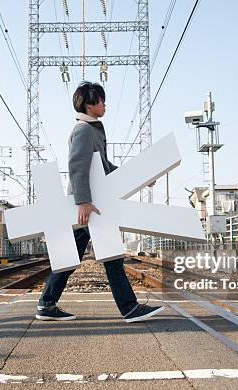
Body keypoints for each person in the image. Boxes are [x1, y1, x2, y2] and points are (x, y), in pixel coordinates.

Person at [35, 81, 165, 323]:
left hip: (92, 204)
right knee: (112, 255)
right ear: (89, 103)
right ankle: (129, 307)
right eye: (101, 100)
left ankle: (46, 303)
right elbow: (77, 166)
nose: (105, 104)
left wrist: (140, 177)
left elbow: (104, 167)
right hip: (90, 205)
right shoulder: (84, 130)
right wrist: (83, 201)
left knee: (70, 255)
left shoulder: (92, 129)